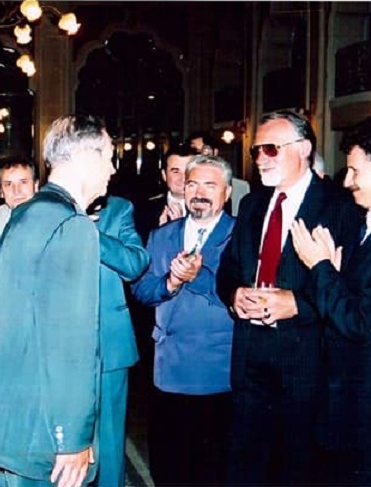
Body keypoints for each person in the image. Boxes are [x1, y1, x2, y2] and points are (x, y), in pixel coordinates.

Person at [0, 114, 116, 487]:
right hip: (44, 434)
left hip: (7, 421)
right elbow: (72, 343)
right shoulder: (72, 224)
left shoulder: (27, 214)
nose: (112, 169)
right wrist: (73, 437)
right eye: (108, 157)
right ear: (85, 157)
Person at [216, 110, 361, 486]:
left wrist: (298, 303)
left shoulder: (341, 207)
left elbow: (351, 287)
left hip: (306, 362)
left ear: (304, 149)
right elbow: (228, 269)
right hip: (250, 358)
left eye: (270, 149)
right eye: (256, 151)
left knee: (298, 470)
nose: (260, 158)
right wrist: (235, 294)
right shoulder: (252, 204)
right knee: (246, 468)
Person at [290, 114, 371, 487]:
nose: (347, 181)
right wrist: (335, 274)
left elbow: (363, 324)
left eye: (356, 171)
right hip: (349, 401)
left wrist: (320, 267)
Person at [132, 155, 235, 487]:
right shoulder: (162, 235)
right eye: (192, 184)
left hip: (216, 372)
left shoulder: (241, 236)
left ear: (227, 193)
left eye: (210, 185)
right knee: (168, 468)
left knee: (211, 471)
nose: (199, 193)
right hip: (168, 372)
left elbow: (240, 294)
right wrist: (171, 283)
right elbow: (142, 291)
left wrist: (196, 277)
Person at [87, 194, 150, 487]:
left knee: (110, 440)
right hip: (58, 344)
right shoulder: (50, 207)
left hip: (108, 343)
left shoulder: (119, 209)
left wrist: (91, 235)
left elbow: (135, 263)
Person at [135, 143, 194, 244]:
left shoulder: (210, 209)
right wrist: (161, 234)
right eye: (175, 172)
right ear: (164, 175)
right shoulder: (144, 210)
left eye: (188, 172)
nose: (183, 178)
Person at [188, 131, 250, 216]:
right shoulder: (183, 186)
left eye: (205, 150)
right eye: (195, 151)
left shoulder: (240, 187)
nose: (201, 156)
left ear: (215, 152)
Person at [0, 156, 39, 236]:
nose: (16, 191)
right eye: (8, 184)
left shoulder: (52, 218)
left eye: (23, 182)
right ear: (1, 191)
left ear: (36, 185)